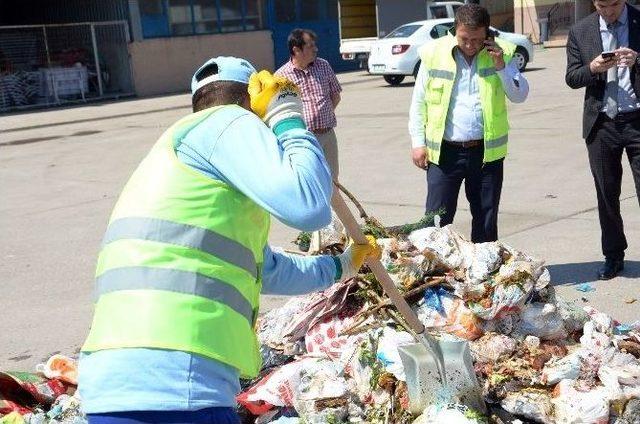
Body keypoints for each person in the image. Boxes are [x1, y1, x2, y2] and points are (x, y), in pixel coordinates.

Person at [77, 56, 380, 424]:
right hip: (180, 381)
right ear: (253, 102)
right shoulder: (227, 122)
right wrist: (285, 113)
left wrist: (342, 265)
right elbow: (310, 203)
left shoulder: (182, 163)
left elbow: (264, 270)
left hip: (111, 388)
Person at [408, 4, 529, 243]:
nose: (471, 45)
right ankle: (436, 274)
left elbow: (520, 95)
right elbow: (418, 103)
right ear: (456, 30)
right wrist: (418, 143)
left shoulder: (502, 53)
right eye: (464, 38)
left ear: (487, 34)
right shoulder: (434, 53)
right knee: (436, 220)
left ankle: (483, 272)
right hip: (444, 153)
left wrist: (501, 67)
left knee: (485, 218)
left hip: (486, 154)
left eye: (477, 39)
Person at [565, 0, 640, 280]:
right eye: (600, 5)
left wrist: (637, 60)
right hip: (601, 124)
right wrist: (593, 67)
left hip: (637, 119)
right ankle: (613, 255)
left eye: (612, 5)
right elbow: (572, 77)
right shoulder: (581, 30)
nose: (607, 11)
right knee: (607, 194)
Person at [275, 28, 342, 178]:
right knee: (311, 180)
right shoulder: (281, 77)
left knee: (333, 180)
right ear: (296, 50)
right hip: (304, 139)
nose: (316, 49)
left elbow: (335, 96)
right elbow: (280, 111)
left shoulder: (323, 66)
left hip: (328, 134)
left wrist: (323, 115)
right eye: (310, 46)